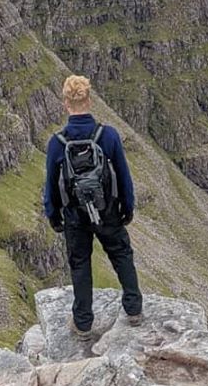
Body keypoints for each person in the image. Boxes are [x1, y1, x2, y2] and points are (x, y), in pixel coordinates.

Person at [43, 73, 144, 338]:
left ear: (66, 104)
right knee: (121, 254)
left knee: (80, 264)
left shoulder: (57, 143)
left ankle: (83, 323)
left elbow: (51, 183)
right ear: (89, 100)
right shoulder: (107, 135)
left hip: (74, 215)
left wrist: (53, 214)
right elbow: (123, 175)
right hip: (107, 209)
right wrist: (127, 207)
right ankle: (134, 309)